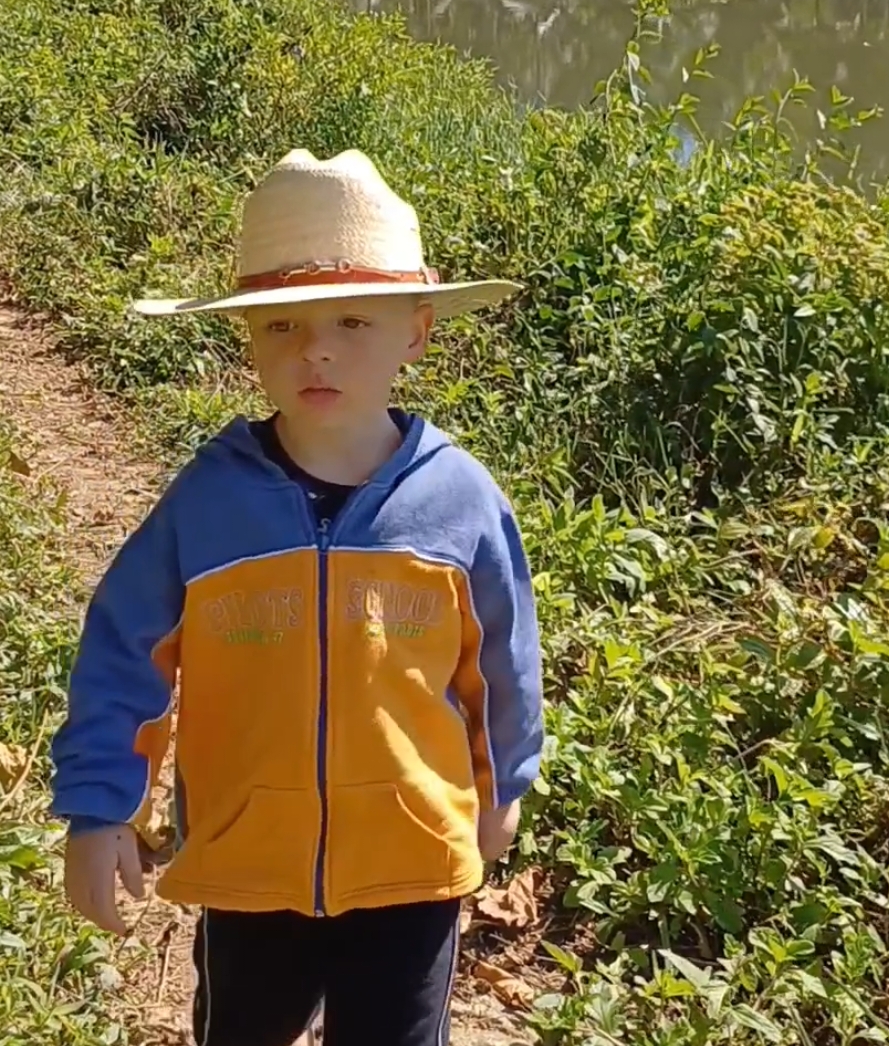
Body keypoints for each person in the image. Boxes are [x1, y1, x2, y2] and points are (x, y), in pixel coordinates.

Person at [51, 148, 544, 1046]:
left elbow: (501, 662)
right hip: (251, 868)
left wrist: (504, 786)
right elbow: (125, 650)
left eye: (353, 321)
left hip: (414, 867)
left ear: (416, 333)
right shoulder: (208, 500)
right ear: (249, 340)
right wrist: (100, 806)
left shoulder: (460, 500)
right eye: (282, 325)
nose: (315, 347)